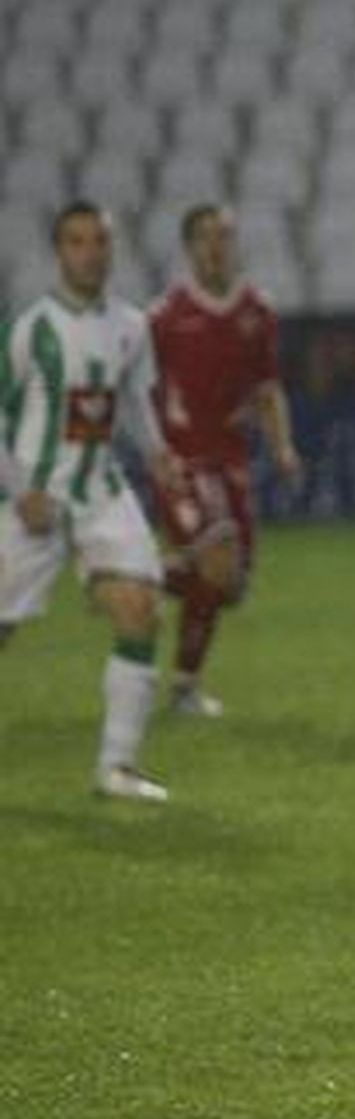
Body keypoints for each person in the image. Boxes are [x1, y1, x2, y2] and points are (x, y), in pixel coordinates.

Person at [0, 201, 180, 802]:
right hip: (36, 498)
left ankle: (117, 768)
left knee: (140, 610)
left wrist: (157, 454)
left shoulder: (132, 325)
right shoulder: (32, 329)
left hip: (101, 492)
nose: (91, 252)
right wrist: (18, 488)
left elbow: (133, 400)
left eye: (100, 240)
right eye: (77, 241)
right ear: (59, 251)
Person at [148, 204, 302, 717]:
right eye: (208, 237)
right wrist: (153, 451)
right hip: (184, 460)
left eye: (226, 236)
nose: (218, 246)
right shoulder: (165, 317)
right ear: (189, 246)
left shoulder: (257, 311)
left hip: (231, 459)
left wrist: (281, 445)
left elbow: (266, 388)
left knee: (229, 584)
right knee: (218, 558)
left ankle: (138, 577)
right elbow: (137, 391)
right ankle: (183, 685)